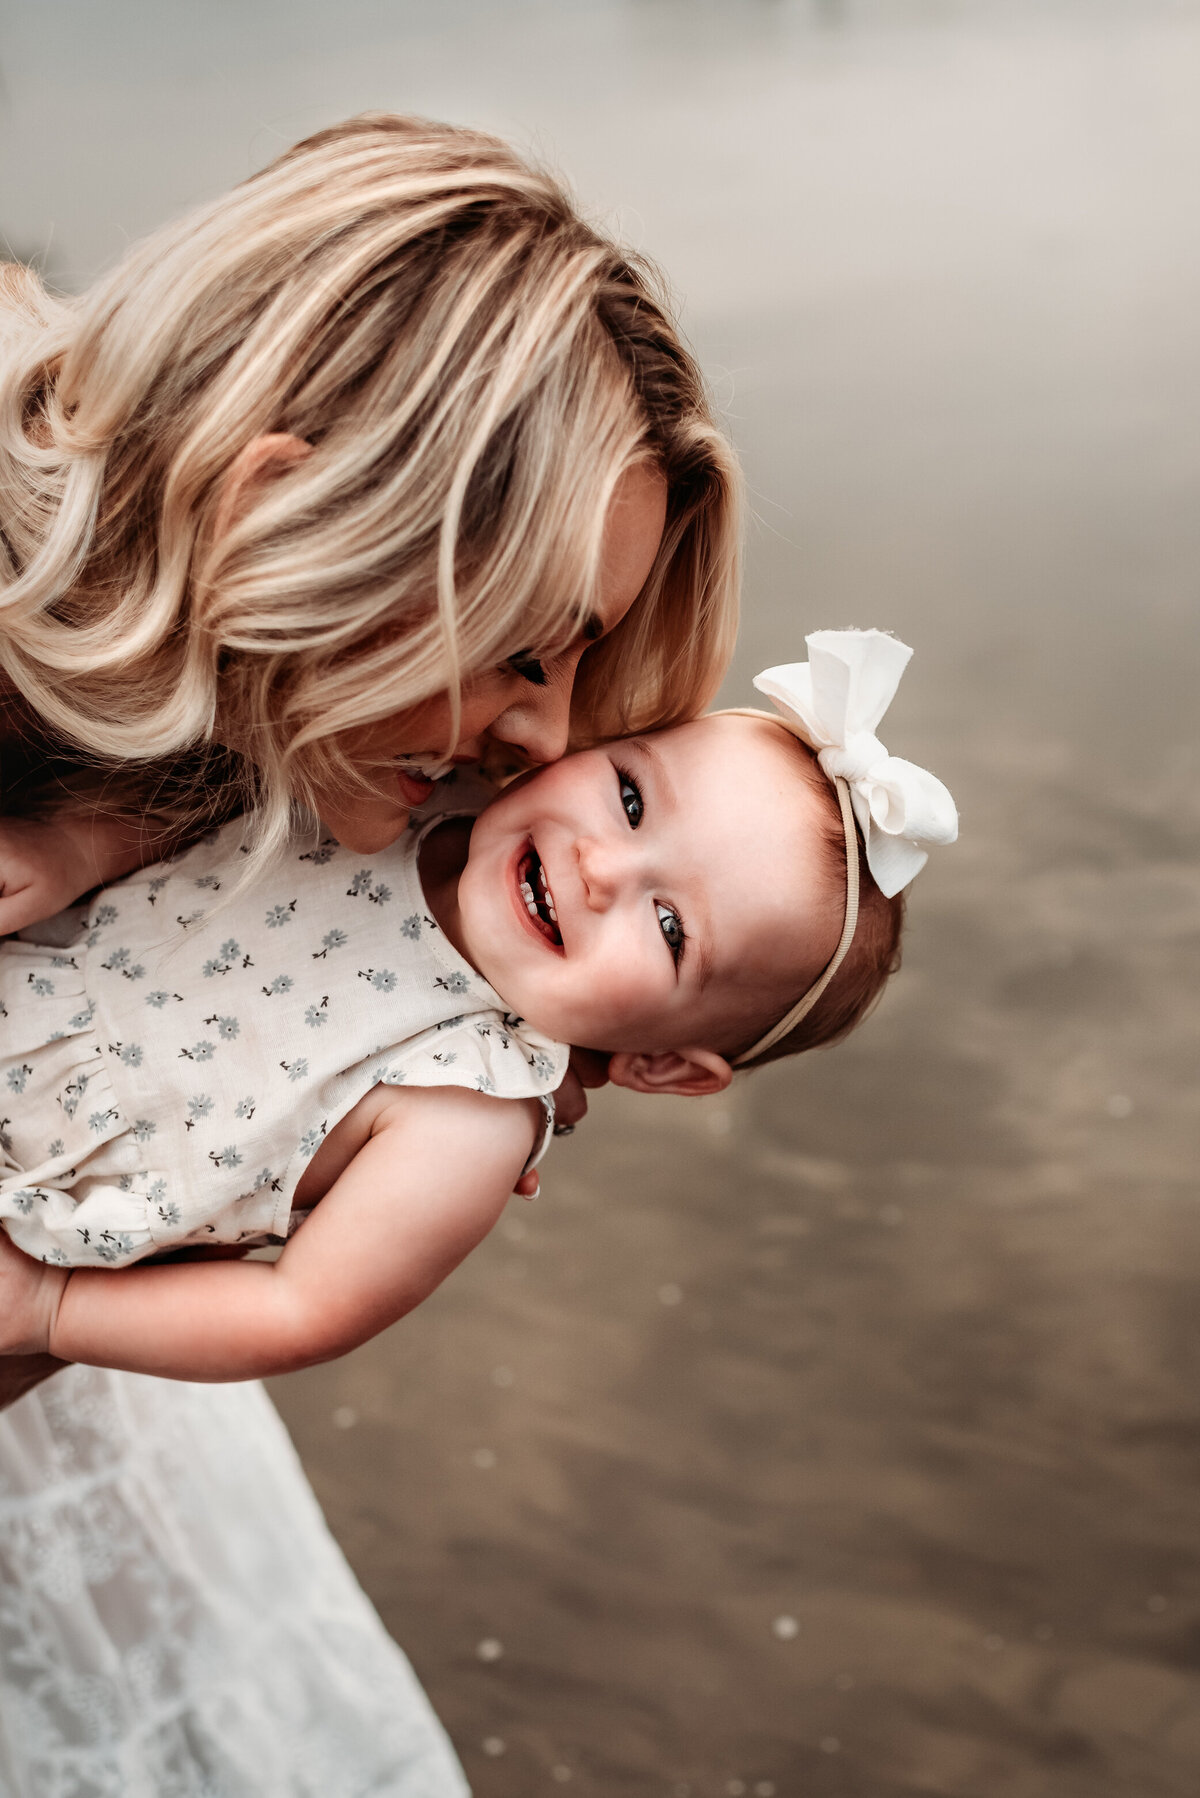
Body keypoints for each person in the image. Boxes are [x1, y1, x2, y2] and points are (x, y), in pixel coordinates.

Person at [0, 111, 739, 1794]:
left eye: (576, 658)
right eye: (520, 650)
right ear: (287, 504)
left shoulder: (272, 691)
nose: (535, 734)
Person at [1, 631, 958, 1385]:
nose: (601, 867)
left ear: (662, 1064)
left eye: (669, 927)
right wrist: (77, 853)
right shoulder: (415, 788)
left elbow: (301, 1311)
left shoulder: (471, 1104)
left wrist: (49, 1312)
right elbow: (220, 796)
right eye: (629, 797)